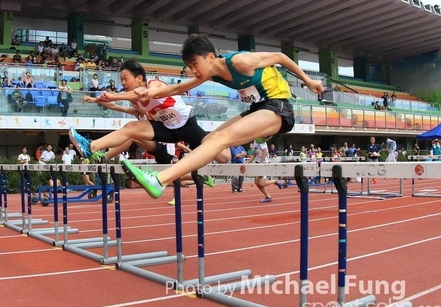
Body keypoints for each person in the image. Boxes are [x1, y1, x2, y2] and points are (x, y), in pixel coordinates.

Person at [120, 33, 323, 198]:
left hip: (278, 107)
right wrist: (150, 93)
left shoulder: (239, 62)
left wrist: (308, 81)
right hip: (258, 109)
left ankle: (159, 179)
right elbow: (179, 88)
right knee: (209, 140)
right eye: (189, 66)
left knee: (219, 138)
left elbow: (280, 57)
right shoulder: (210, 73)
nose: (193, 70)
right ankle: (204, 169)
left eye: (195, 64)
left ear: (210, 57)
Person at [68, 58, 230, 189]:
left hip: (186, 125)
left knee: (224, 158)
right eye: (121, 80)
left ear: (139, 78)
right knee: (131, 128)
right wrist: (96, 99)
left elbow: (143, 95)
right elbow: (121, 102)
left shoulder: (155, 84)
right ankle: (91, 147)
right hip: (166, 129)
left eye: (126, 79)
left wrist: (113, 96)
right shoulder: (137, 103)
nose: (123, 83)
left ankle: (221, 138)